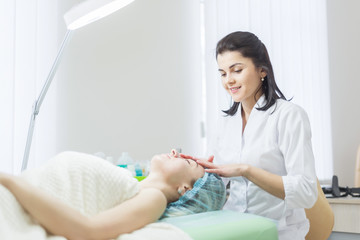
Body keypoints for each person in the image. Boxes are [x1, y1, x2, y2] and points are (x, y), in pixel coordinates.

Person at [180, 31, 318, 240]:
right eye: (223, 73)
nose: (229, 81)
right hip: (236, 229)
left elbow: (306, 192)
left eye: (236, 70)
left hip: (279, 232)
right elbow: (216, 181)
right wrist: (188, 168)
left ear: (262, 70)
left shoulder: (289, 116)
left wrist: (247, 171)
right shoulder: (224, 123)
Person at [0, 149, 226, 240]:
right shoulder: (134, 185)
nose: (175, 152)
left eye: (186, 161)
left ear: (185, 189)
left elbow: (87, 230)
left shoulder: (154, 198)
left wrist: (9, 181)